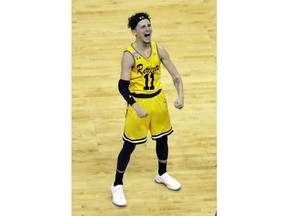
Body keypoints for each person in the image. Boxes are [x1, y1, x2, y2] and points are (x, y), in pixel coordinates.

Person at [110, 12, 184, 207]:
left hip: (158, 100)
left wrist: (180, 95)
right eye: (143, 27)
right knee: (129, 145)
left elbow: (175, 75)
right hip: (139, 103)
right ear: (134, 32)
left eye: (149, 25)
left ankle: (162, 173)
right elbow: (122, 86)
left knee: (162, 138)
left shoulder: (159, 49)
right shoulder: (129, 55)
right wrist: (135, 106)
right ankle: (117, 184)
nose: (147, 29)